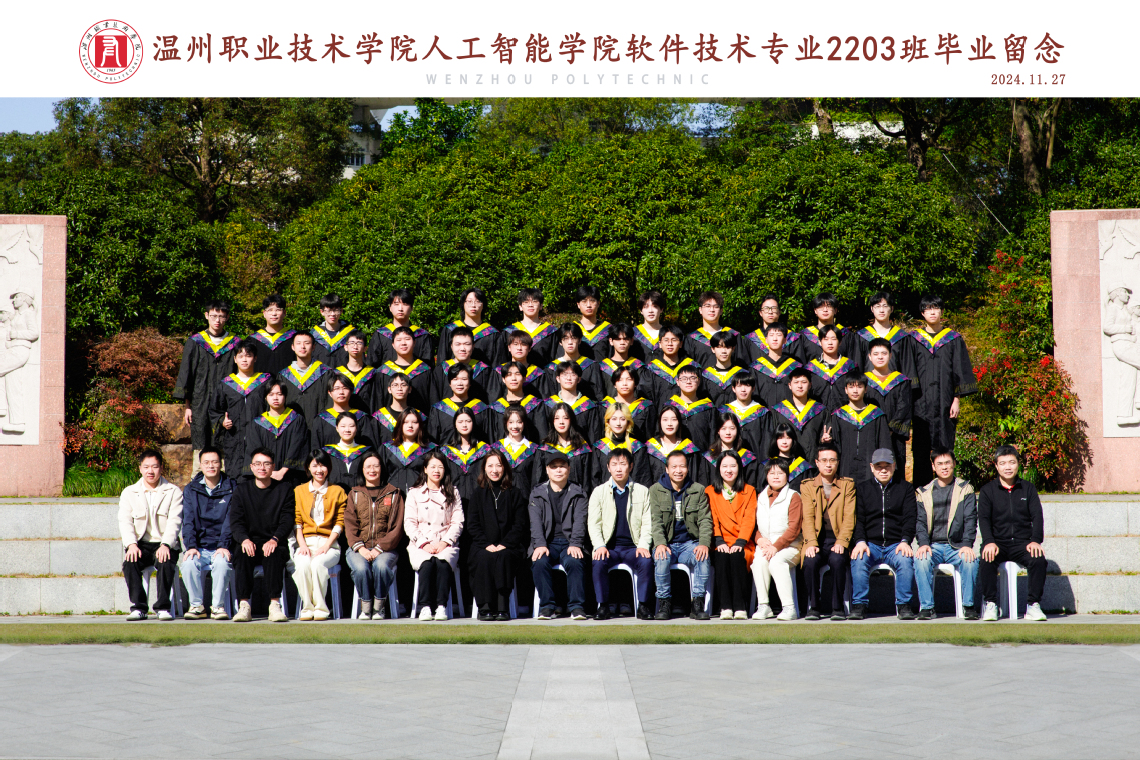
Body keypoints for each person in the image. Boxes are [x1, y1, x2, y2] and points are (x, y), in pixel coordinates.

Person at [911, 294, 977, 487]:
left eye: (936, 308)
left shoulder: (953, 339)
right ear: (922, 313)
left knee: (945, 446)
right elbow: (909, 371)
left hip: (946, 402)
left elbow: (959, 370)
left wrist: (957, 399)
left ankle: (947, 488)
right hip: (920, 403)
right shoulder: (913, 339)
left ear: (941, 312)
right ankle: (921, 492)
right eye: (928, 308)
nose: (932, 312)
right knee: (921, 449)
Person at [978, 445, 1048, 622]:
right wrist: (988, 541)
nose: (1007, 467)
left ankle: (1033, 605)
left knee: (1038, 559)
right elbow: (984, 519)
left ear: (1018, 464)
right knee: (986, 558)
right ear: (996, 466)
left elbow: (1037, 516)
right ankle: (991, 604)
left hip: (1022, 543)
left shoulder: (1028, 488)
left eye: (1012, 462)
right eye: (1003, 463)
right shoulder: (987, 490)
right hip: (997, 543)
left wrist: (1035, 540)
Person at [850, 448, 918, 620]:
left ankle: (904, 605)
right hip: (870, 544)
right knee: (859, 559)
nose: (883, 470)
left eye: (887, 466)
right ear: (871, 467)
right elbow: (858, 519)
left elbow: (910, 518)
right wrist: (860, 541)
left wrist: (905, 540)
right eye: (879, 466)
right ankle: (859, 605)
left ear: (894, 466)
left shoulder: (906, 488)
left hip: (896, 544)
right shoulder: (862, 489)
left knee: (905, 560)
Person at [174, 300, 240, 471]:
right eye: (213, 316)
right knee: (200, 440)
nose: (217, 320)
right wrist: (188, 406)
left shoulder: (235, 343)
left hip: (226, 402)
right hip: (200, 401)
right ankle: (198, 477)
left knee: (223, 438)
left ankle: (224, 479)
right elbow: (186, 374)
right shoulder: (195, 342)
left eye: (221, 316)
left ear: (227, 317)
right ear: (206, 316)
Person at [914, 447, 980, 620]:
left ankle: (968, 606)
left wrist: (967, 544)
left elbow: (970, 519)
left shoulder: (965, 489)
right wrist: (923, 544)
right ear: (933, 466)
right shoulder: (924, 492)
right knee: (921, 560)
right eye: (940, 464)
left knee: (970, 560)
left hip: (956, 546)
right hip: (933, 546)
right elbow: (920, 522)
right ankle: (927, 608)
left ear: (954, 464)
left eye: (947, 463)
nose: (944, 467)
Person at [229, 448, 294, 623]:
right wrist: (244, 539)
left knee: (273, 553)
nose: (262, 468)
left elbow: (287, 520)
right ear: (251, 467)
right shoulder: (242, 490)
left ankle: (274, 605)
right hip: (249, 541)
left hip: (274, 540)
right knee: (242, 553)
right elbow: (235, 521)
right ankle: (244, 606)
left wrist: (275, 539)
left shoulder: (284, 489)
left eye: (266, 464)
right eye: (257, 464)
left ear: (273, 466)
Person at [588, 449, 654, 619]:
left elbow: (648, 523)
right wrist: (599, 545)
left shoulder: (642, 491)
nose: (618, 469)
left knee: (646, 561)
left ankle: (643, 606)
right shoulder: (599, 492)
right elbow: (593, 524)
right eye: (614, 464)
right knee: (598, 561)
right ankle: (603, 606)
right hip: (609, 548)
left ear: (630, 467)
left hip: (633, 547)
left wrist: (643, 545)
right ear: (608, 467)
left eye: (623, 464)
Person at [119, 449, 184, 621]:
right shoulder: (129, 492)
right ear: (140, 468)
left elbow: (175, 521)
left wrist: (166, 544)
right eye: (146, 467)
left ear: (161, 468)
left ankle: (163, 607)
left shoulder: (173, 491)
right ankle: (139, 607)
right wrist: (131, 544)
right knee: (130, 562)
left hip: (165, 543)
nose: (150, 471)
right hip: (140, 543)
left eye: (154, 467)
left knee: (165, 560)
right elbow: (125, 522)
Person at [467, 450, 530, 621]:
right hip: (482, 545)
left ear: (505, 468)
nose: (494, 470)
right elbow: (473, 524)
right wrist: (486, 544)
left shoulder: (515, 493)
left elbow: (519, 525)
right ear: (484, 469)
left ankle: (502, 607)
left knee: (503, 557)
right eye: (490, 466)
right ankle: (485, 607)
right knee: (484, 557)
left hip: (509, 546)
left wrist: (505, 544)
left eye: (498, 465)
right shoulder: (478, 494)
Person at [649, 450, 712, 620]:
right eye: (674, 467)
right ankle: (664, 603)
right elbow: (655, 521)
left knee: (702, 556)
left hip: (689, 544)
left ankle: (697, 603)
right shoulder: (656, 490)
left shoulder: (697, 489)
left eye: (682, 466)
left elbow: (705, 520)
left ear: (688, 468)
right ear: (667, 469)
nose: (678, 470)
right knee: (661, 557)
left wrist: (704, 543)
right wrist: (660, 543)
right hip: (667, 543)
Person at [344, 451, 404, 620]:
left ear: (381, 468)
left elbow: (397, 527)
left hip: (386, 549)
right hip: (359, 548)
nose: (372, 470)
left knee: (381, 567)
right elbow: (350, 524)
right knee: (361, 568)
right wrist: (360, 548)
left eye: (376, 466)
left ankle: (378, 608)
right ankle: (366, 608)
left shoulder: (394, 493)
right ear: (362, 470)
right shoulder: (354, 494)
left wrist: (379, 548)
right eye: (368, 466)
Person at [528, 453, 589, 620]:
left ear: (569, 469)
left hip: (570, 542)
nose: (558, 470)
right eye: (554, 467)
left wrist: (576, 543)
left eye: (562, 466)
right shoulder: (537, 493)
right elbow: (535, 523)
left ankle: (576, 607)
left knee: (575, 561)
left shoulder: (578, 492)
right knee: (539, 562)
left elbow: (580, 521)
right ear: (547, 470)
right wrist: (540, 544)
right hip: (547, 543)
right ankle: (547, 607)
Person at [405, 451, 465, 620]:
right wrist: (424, 544)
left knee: (442, 563)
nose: (436, 471)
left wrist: (445, 542)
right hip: (420, 543)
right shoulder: (414, 493)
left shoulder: (453, 492)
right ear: (425, 469)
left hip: (446, 543)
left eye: (440, 467)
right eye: (432, 467)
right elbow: (409, 523)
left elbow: (457, 522)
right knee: (427, 563)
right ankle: (425, 606)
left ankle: (441, 606)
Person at [800, 443, 855, 620]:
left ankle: (837, 607)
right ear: (817, 462)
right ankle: (814, 606)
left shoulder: (847, 485)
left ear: (838, 462)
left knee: (838, 560)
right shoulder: (807, 486)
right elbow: (807, 517)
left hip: (837, 539)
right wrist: (811, 543)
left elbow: (849, 517)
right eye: (824, 460)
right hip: (817, 539)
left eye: (832, 460)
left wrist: (842, 542)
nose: (828, 464)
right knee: (810, 561)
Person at [290, 450, 346, 621]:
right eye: (315, 466)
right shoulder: (299, 491)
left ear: (329, 468)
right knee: (302, 565)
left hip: (329, 544)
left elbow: (340, 522)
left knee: (318, 564)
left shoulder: (337, 491)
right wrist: (302, 545)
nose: (319, 470)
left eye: (323, 466)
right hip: (305, 542)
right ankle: (307, 608)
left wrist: (326, 546)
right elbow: (297, 522)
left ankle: (321, 608)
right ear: (308, 467)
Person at [179, 447, 235, 620]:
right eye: (207, 462)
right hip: (200, 547)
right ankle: (197, 606)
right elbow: (188, 521)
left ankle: (218, 607)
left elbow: (231, 521)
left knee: (222, 563)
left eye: (215, 462)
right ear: (201, 465)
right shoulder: (191, 490)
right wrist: (191, 546)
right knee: (188, 563)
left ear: (221, 464)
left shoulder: (232, 488)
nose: (211, 466)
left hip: (223, 545)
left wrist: (224, 545)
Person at [706, 451, 757, 620]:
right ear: (718, 469)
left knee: (737, 556)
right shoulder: (710, 491)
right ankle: (725, 606)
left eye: (733, 466)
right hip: (720, 541)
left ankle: (740, 606)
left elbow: (749, 519)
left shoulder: (749, 491)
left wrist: (740, 542)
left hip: (743, 541)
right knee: (721, 557)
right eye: (725, 466)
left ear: (739, 468)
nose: (729, 470)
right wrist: (719, 541)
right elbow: (712, 519)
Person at [209, 339, 270, 478]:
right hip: (234, 438)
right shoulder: (226, 384)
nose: (244, 359)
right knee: (235, 475)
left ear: (255, 358)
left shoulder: (264, 382)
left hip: (259, 437)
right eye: (240, 356)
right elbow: (214, 410)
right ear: (235, 359)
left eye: (248, 355)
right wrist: (222, 421)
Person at [752, 460, 803, 621]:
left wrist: (776, 547)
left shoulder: (793, 496)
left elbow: (794, 528)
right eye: (772, 473)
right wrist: (759, 539)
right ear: (766, 476)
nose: (776, 477)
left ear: (787, 476)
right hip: (766, 545)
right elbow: (755, 525)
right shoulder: (761, 496)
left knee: (776, 562)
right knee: (758, 562)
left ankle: (789, 608)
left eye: (780, 473)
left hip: (790, 546)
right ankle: (763, 606)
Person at [820, 375, 891, 484]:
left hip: (870, 469)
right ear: (846, 390)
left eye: (859, 386)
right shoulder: (839, 415)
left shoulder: (876, 415)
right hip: (845, 468)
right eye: (851, 387)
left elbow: (884, 443)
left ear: (866, 389)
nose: (855, 390)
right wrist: (827, 441)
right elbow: (835, 446)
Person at [863, 337, 913, 476]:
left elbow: (904, 407)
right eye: (876, 354)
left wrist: (890, 429)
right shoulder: (863, 381)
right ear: (869, 356)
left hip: (895, 436)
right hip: (871, 434)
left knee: (895, 467)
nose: (880, 357)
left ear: (890, 355)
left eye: (884, 353)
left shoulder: (901, 381)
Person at [245, 379, 310, 482]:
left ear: (285, 396)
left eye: (279, 394)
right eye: (271, 394)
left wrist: (283, 471)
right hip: (265, 477)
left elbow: (297, 447)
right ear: (265, 397)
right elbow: (255, 448)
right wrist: (267, 471)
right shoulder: (257, 423)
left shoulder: (296, 420)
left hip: (290, 477)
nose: (275, 398)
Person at [536, 402, 602, 492]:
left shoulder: (582, 449)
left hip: (577, 497)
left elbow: (587, 481)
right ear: (552, 421)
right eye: (557, 418)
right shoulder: (544, 449)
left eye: (566, 418)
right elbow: (538, 479)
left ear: (571, 420)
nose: (561, 422)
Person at [769, 367, 827, 463]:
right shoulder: (779, 410)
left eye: (804, 382)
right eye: (796, 382)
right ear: (789, 385)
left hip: (812, 464)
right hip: (786, 465)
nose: (800, 386)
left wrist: (825, 440)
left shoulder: (819, 410)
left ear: (810, 385)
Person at [854, 291, 916, 379]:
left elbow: (907, 366)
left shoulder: (901, 336)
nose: (881, 310)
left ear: (892, 309)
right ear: (872, 309)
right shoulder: (862, 336)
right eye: (877, 306)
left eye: (885, 306)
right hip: (869, 384)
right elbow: (858, 364)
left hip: (895, 384)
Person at [367, 288, 435, 367]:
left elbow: (428, 366)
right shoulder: (381, 335)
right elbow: (372, 365)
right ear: (390, 308)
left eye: (405, 304)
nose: (400, 309)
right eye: (396, 304)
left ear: (412, 308)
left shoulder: (422, 335)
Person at [432, 325, 498, 404]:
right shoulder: (441, 369)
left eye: (467, 344)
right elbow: (435, 399)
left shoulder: (483, 370)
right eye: (458, 344)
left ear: (473, 346)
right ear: (451, 346)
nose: (462, 349)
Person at [311, 373, 377, 451]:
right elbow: (316, 449)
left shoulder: (362, 418)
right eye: (336, 388)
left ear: (351, 391)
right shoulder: (321, 419)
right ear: (329, 393)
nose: (341, 392)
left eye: (345, 388)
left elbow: (369, 448)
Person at [438, 287, 502, 366]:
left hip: (483, 374)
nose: (473, 305)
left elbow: (497, 364)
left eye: (477, 301)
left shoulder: (492, 333)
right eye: (469, 301)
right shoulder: (450, 329)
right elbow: (442, 359)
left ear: (483, 305)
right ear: (463, 304)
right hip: (454, 373)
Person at [805, 324, 861, 413]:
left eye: (834, 339)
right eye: (826, 339)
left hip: (844, 416)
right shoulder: (810, 368)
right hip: (818, 415)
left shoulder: (850, 367)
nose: (830, 343)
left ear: (840, 342)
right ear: (819, 342)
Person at [377, 326, 434, 411]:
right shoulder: (383, 372)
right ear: (393, 345)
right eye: (399, 340)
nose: (403, 343)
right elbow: (378, 402)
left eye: (407, 339)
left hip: (418, 419)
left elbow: (432, 401)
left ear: (414, 343)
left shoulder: (425, 370)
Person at [428, 363, 490, 443]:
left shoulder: (481, 408)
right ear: (449, 383)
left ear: (470, 383)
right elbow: (433, 440)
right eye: (455, 379)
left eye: (464, 379)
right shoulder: (439, 409)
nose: (459, 383)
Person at [489, 361, 549, 442]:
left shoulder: (535, 405)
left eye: (517, 374)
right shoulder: (496, 407)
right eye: (509, 375)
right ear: (503, 379)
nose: (513, 378)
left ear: (524, 378)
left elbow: (542, 436)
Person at [441, 408, 494, 501]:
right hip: (453, 500)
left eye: (468, 421)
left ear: (473, 423)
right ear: (455, 424)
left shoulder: (484, 450)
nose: (464, 425)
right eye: (460, 422)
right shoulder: (447, 452)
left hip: (479, 500)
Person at [279, 330, 332, 424]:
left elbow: (330, 402)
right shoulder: (284, 375)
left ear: (313, 347)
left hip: (319, 425)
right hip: (291, 426)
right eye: (298, 343)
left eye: (307, 343)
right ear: (293, 347)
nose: (302, 346)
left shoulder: (325, 372)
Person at [544, 360, 603, 442]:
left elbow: (594, 436)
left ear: (579, 379)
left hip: (582, 449)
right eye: (565, 374)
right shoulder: (548, 405)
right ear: (558, 379)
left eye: (573, 374)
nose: (569, 378)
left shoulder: (588, 406)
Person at [697, 411, 759, 489]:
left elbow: (751, 486)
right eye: (723, 428)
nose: (728, 432)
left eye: (732, 428)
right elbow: (704, 485)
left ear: (737, 430)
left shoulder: (747, 457)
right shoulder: (709, 457)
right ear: (718, 431)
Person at [382, 408, 437, 494]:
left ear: (420, 425)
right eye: (405, 422)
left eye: (415, 422)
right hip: (393, 496)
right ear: (400, 425)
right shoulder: (388, 448)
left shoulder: (429, 449)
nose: (410, 425)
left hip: (421, 497)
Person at [596, 403, 651, 485]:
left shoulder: (637, 447)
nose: (618, 423)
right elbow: (595, 479)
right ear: (608, 422)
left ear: (628, 422)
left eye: (622, 419)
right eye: (614, 419)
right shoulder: (600, 447)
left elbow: (642, 477)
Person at [544, 323, 603, 400]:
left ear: (579, 340)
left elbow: (598, 395)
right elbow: (549, 397)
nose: (570, 342)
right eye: (565, 338)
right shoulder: (551, 368)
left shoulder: (591, 365)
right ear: (560, 342)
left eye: (574, 338)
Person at [644, 324, 697, 410]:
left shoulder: (692, 367)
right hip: (659, 415)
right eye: (666, 340)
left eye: (674, 340)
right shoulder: (651, 369)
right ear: (660, 344)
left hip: (687, 414)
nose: (670, 344)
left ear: (681, 344)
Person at [666, 365, 717, 453]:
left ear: (699, 381)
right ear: (677, 382)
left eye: (693, 378)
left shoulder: (708, 408)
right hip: (676, 457)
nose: (688, 382)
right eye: (684, 378)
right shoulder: (669, 407)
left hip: (702, 457)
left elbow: (713, 436)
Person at [750, 323, 802, 407]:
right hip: (763, 411)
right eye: (771, 335)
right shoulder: (756, 367)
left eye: (779, 335)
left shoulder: (794, 366)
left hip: (788, 413)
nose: (775, 339)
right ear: (766, 340)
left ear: (785, 340)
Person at [740, 294, 801, 366]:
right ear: (760, 313)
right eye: (766, 308)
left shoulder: (792, 338)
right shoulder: (750, 339)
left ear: (779, 312)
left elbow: (799, 365)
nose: (770, 312)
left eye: (774, 308)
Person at [493, 405, 541, 496]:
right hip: (501, 498)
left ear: (524, 423)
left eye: (519, 422)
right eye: (511, 422)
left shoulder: (534, 450)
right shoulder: (497, 448)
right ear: (505, 423)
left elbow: (536, 479)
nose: (515, 426)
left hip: (525, 498)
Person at [645, 406, 700, 484]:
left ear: (679, 422)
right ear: (659, 422)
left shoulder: (689, 449)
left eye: (674, 419)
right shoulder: (649, 448)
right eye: (665, 420)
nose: (669, 424)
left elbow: (693, 477)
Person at [685, 291, 740, 369]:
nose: (712, 310)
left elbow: (741, 364)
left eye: (716, 306)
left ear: (721, 310)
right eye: (707, 306)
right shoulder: (692, 338)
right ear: (700, 310)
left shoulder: (733, 335)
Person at [798, 292, 857, 363]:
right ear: (815, 311)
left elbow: (852, 362)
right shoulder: (805, 336)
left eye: (829, 306)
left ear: (835, 310)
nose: (825, 310)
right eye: (821, 306)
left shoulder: (846, 335)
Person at [602, 365, 655, 442]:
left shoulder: (646, 407)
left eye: (629, 379)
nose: (624, 384)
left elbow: (650, 437)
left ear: (635, 383)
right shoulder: (604, 406)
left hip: (638, 448)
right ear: (614, 384)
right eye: (620, 380)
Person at [722, 373, 770, 456]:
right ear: (733, 388)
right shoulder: (725, 411)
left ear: (753, 388)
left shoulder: (762, 412)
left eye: (747, 386)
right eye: (739, 386)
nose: (743, 390)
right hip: (729, 459)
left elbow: (766, 441)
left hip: (755, 459)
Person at [335, 329, 382, 414]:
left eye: (359, 343)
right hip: (342, 418)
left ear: (365, 348)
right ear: (346, 347)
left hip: (366, 417)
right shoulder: (337, 373)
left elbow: (376, 400)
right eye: (352, 343)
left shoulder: (373, 374)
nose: (355, 346)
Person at [322, 413, 372, 491]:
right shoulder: (328, 452)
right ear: (337, 428)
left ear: (356, 428)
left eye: (351, 426)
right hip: (333, 495)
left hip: (360, 495)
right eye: (343, 426)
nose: (347, 430)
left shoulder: (365, 452)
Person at [250, 293, 296, 377]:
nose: (274, 313)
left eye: (278, 310)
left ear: (284, 313)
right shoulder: (253, 340)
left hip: (288, 383)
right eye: (270, 310)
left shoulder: (294, 337)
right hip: (260, 383)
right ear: (264, 313)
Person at [371, 374, 425, 445]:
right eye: (395, 385)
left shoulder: (418, 416)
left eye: (403, 385)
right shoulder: (379, 417)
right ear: (389, 389)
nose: (399, 388)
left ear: (410, 389)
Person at [510, 288, 558, 367]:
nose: (530, 305)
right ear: (520, 307)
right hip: (515, 373)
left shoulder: (550, 332)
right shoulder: (510, 331)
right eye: (526, 302)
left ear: (541, 306)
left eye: (535, 301)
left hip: (543, 374)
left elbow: (555, 361)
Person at [701, 331, 749, 406]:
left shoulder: (742, 374)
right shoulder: (705, 375)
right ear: (713, 349)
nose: (723, 351)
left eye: (727, 347)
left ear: (733, 349)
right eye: (719, 347)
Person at [310, 293, 358, 368]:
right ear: (322, 312)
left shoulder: (352, 334)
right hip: (320, 374)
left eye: (336, 310)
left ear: (341, 311)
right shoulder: (314, 335)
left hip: (344, 374)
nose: (332, 314)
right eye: (328, 311)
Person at [496, 329, 546, 398]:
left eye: (523, 344)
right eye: (515, 344)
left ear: (529, 348)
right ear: (509, 348)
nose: (519, 348)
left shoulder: (538, 373)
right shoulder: (498, 372)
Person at [766, 423, 816, 490]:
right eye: (780, 438)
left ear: (793, 440)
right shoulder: (767, 464)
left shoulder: (803, 466)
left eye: (788, 438)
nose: (784, 442)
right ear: (775, 440)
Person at [600, 323, 645, 396]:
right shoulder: (602, 367)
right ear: (611, 341)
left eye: (626, 339)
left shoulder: (638, 366)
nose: (622, 343)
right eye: (618, 339)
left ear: (631, 341)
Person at [570, 285, 612, 362]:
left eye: (592, 301)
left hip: (602, 369)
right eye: (584, 301)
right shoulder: (571, 330)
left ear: (598, 303)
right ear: (578, 304)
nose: (588, 305)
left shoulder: (608, 329)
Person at [632, 289, 667, 362]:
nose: (650, 311)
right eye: (646, 307)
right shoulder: (633, 333)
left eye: (655, 306)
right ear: (641, 311)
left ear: (661, 309)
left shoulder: (669, 333)